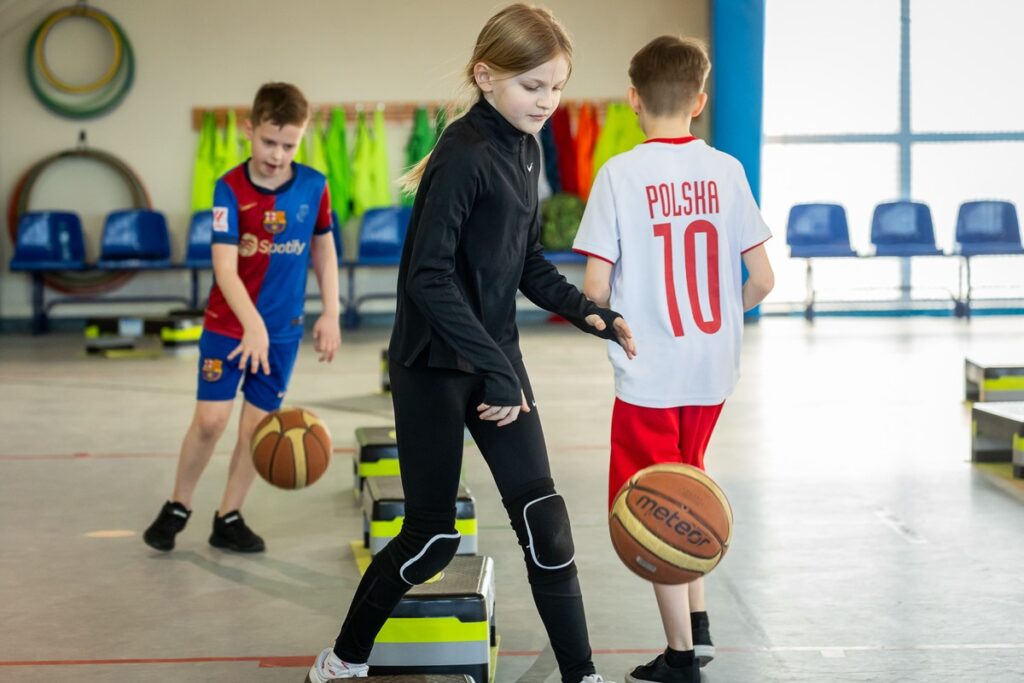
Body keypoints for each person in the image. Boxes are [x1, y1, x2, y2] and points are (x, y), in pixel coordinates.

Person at [305, 5, 635, 683]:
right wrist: (494, 368)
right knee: (429, 537)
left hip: (493, 357)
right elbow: (426, 277)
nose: (546, 101)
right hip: (433, 365)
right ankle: (341, 660)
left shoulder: (525, 145)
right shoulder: (463, 154)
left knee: (546, 523)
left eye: (556, 87)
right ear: (486, 76)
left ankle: (584, 675)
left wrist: (589, 312)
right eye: (532, 86)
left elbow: (527, 261)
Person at [572, 36, 774, 683]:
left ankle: (681, 655)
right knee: (686, 481)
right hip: (711, 370)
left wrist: (609, 325)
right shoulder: (727, 171)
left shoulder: (619, 175)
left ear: (633, 98)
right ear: (701, 100)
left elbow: (596, 289)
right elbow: (764, 278)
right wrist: (721, 323)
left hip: (650, 371)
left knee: (650, 502)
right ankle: (702, 623)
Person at [143, 82, 341, 554]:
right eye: (269, 142)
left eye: (289, 145)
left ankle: (228, 516)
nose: (277, 154)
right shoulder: (228, 188)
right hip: (228, 327)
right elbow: (224, 268)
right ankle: (178, 505)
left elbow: (325, 251)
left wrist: (330, 311)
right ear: (249, 130)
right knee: (211, 421)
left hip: (282, 333)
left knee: (257, 429)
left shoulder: (314, 186)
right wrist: (251, 325)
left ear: (302, 138)